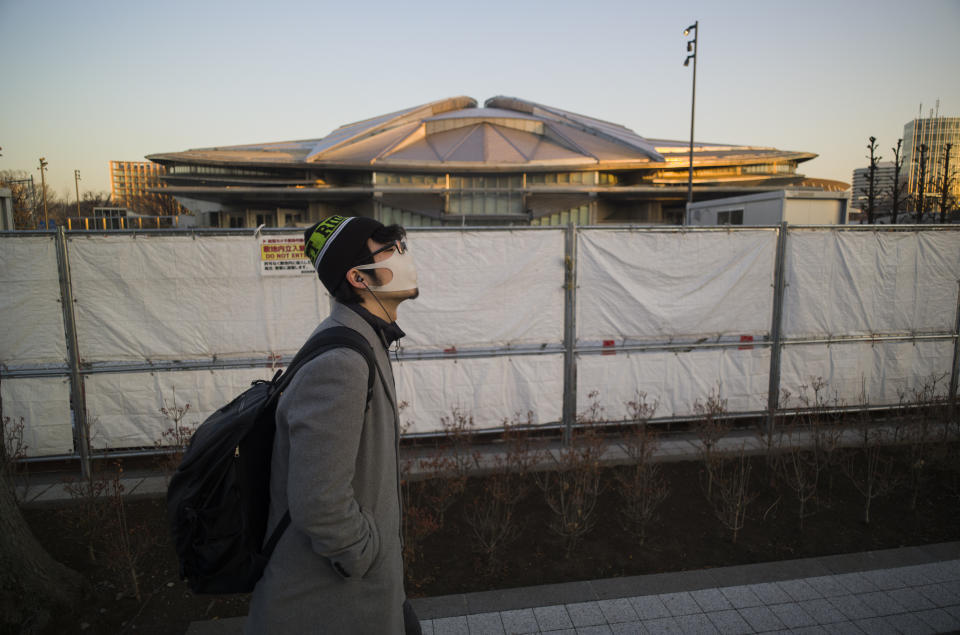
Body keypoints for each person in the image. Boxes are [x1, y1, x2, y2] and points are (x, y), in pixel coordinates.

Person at [245, 215, 420, 634]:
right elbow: (319, 500)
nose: (405, 257)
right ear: (358, 277)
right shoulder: (342, 362)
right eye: (390, 250)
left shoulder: (363, 338)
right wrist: (364, 555)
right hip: (332, 606)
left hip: (365, 597)